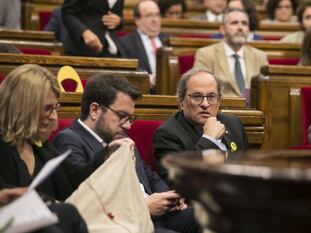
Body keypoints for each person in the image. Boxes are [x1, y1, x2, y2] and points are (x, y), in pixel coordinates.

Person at [52, 74, 200, 233]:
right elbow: (86, 199)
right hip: (121, 225)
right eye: (122, 116)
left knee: (210, 217)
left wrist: (171, 197)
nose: (128, 126)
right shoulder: (69, 140)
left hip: (155, 217)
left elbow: (148, 175)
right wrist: (142, 207)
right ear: (94, 110)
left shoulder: (120, 137)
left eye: (130, 118)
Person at [0, 64, 130, 232]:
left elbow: (74, 181)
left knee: (69, 214)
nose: (54, 116)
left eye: (55, 107)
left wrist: (106, 154)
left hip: (39, 221)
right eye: (47, 109)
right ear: (24, 107)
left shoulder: (40, 145)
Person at [153, 68, 249, 178]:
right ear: (181, 101)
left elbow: (248, 169)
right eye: (197, 96)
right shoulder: (167, 134)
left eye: (211, 97)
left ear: (219, 101)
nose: (205, 104)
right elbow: (180, 181)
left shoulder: (233, 123)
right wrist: (209, 139)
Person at [194, 8, 268, 97]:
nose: (240, 27)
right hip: (221, 109)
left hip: (254, 109)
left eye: (244, 23)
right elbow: (198, 89)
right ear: (222, 29)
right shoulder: (206, 54)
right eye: (234, 23)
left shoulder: (260, 56)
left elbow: (267, 90)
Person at [121, 0, 168, 91]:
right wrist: (145, 78)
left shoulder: (169, 40)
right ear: (137, 20)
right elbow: (125, 73)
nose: (155, 20)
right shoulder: (126, 43)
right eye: (149, 15)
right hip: (141, 91)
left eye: (157, 15)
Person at [61, 0, 127, 57]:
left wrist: (119, 20)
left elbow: (118, 12)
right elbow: (67, 13)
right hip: (80, 49)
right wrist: (84, 32)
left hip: (111, 49)